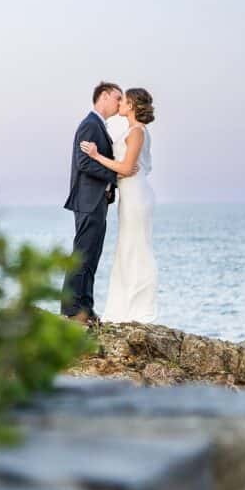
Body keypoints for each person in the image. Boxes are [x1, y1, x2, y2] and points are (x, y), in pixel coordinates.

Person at [61, 82, 137, 328]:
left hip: (98, 200)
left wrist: (110, 189)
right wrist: (114, 177)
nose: (119, 102)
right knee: (82, 253)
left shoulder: (98, 126)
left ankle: (85, 306)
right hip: (87, 199)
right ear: (103, 97)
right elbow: (84, 162)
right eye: (117, 97)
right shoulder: (89, 125)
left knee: (92, 254)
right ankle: (72, 308)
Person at [80, 87, 157, 323]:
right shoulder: (131, 131)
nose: (120, 103)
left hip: (136, 196)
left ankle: (141, 308)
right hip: (129, 194)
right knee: (126, 247)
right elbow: (135, 166)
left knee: (137, 248)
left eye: (124, 100)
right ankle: (123, 308)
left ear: (132, 105)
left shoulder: (137, 132)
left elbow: (125, 168)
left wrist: (96, 155)